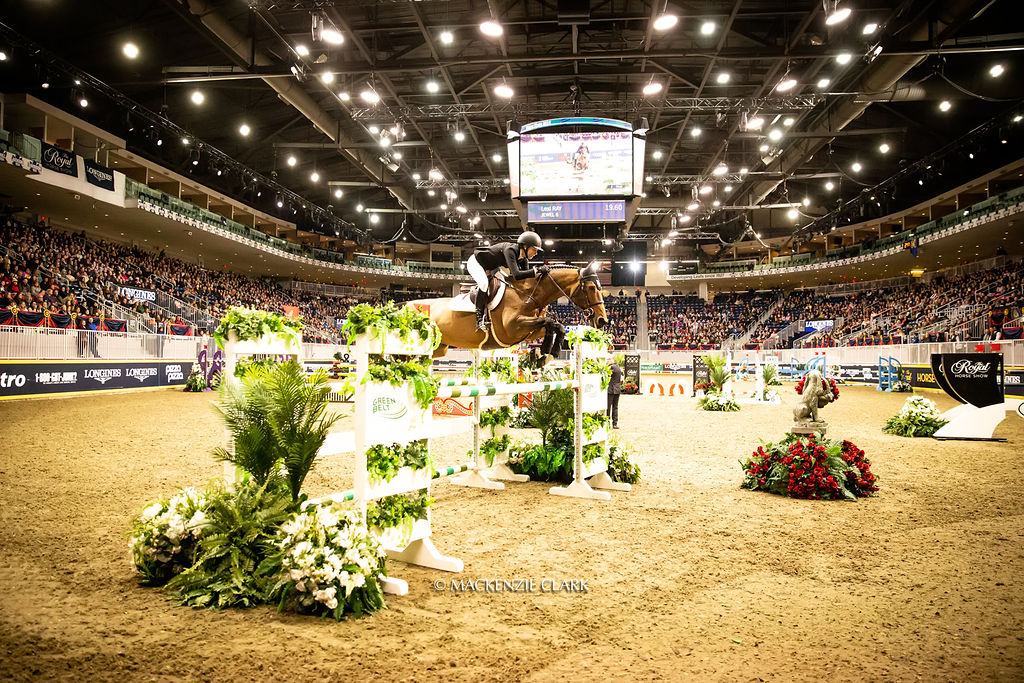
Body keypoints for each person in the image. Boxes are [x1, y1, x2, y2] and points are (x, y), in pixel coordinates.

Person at [467, 231, 550, 331]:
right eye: (534, 249)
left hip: (491, 268)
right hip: (476, 262)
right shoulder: (510, 250)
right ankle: (479, 319)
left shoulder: (523, 259)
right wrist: (536, 270)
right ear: (525, 246)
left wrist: (540, 274)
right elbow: (517, 275)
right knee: (484, 284)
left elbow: (525, 280)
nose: (536, 253)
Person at [606, 356, 622, 429]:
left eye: (608, 359)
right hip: (617, 389)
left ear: (611, 360)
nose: (607, 361)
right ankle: (615, 423)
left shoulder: (611, 367)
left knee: (608, 407)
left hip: (611, 390)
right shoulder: (618, 367)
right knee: (615, 407)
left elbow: (605, 373)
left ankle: (607, 423)